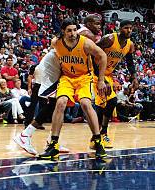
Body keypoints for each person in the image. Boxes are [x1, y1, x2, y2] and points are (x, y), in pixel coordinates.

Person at [15, 16, 102, 155]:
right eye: (97, 23)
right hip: (53, 67)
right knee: (53, 104)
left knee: (58, 104)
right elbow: (96, 56)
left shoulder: (72, 34)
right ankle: (25, 135)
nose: (99, 27)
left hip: (59, 66)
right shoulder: (85, 34)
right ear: (89, 24)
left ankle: (51, 140)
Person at [37, 18, 108, 160]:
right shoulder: (56, 43)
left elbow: (103, 55)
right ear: (63, 31)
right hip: (67, 78)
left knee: (85, 103)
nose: (73, 33)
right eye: (69, 30)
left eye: (75, 30)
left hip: (84, 77)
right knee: (61, 102)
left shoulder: (86, 43)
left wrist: (101, 80)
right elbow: (51, 58)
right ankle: (54, 144)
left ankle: (98, 140)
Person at [92, 19, 136, 149]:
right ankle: (100, 135)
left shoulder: (129, 45)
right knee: (110, 102)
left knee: (108, 103)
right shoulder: (109, 39)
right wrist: (100, 78)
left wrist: (134, 77)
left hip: (108, 75)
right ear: (120, 28)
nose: (129, 31)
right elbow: (91, 54)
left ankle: (98, 136)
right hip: (95, 73)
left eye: (131, 28)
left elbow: (130, 62)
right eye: (126, 28)